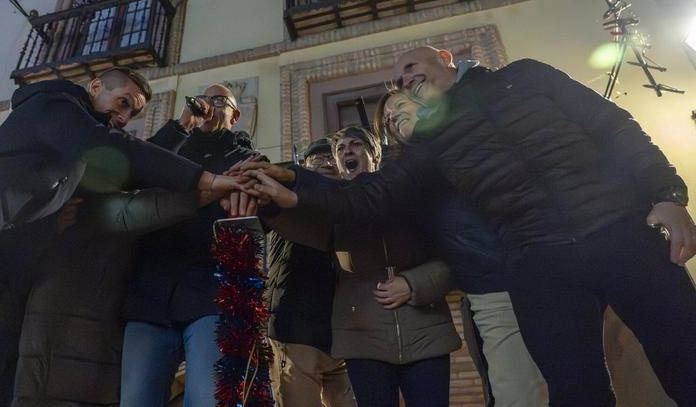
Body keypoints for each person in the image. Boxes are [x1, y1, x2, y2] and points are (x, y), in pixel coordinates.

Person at [241, 48, 696, 406]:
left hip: (621, 231)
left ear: (446, 59)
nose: (404, 82)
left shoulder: (527, 75)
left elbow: (613, 126)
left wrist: (667, 195)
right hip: (540, 259)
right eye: (397, 84)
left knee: (684, 359)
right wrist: (295, 185)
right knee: (576, 391)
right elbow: (370, 197)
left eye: (410, 67)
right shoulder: (430, 141)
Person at [0, 68, 238, 407]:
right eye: (124, 102)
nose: (125, 116)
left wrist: (180, 128)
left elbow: (119, 173)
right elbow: (111, 149)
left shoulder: (74, 144)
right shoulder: (54, 105)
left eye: (133, 112)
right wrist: (203, 180)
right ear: (96, 87)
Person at [263, 126, 461, 407]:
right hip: (361, 342)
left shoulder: (409, 194)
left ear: (375, 153)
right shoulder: (330, 212)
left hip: (425, 333)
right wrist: (269, 203)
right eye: (341, 148)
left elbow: (453, 258)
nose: (348, 152)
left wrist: (413, 284)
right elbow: (298, 223)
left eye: (356, 144)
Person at [374, 89, 547, 407]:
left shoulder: (470, 140)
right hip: (488, 288)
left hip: (542, 271)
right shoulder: (408, 177)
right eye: (386, 119)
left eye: (399, 105)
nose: (392, 117)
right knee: (512, 390)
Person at [120, 84, 260, 407]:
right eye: (205, 99)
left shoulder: (248, 158)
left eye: (219, 101)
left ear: (235, 115)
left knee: (208, 398)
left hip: (212, 293)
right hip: (150, 295)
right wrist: (181, 124)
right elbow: (137, 169)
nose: (209, 105)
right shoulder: (174, 147)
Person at [11, 187, 201, 406]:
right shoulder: (86, 209)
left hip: (84, 345)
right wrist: (211, 186)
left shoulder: (67, 209)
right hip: (68, 346)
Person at [263, 138, 357, 407]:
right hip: (296, 333)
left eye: (330, 158)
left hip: (344, 336)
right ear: (302, 167)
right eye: (316, 159)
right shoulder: (288, 201)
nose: (326, 162)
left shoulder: (348, 202)